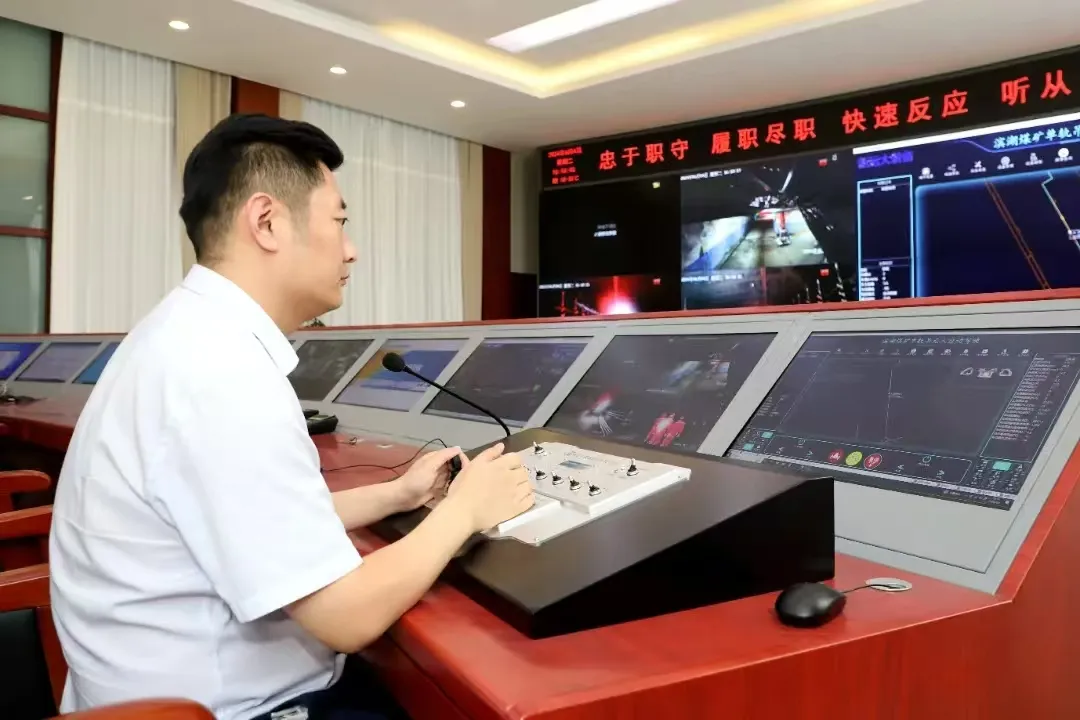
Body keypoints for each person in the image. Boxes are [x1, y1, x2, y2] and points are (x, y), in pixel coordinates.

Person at [48, 113, 534, 720]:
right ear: (268, 222)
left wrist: (396, 494)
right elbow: (346, 616)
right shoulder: (222, 373)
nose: (351, 249)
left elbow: (251, 522)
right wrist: (466, 510)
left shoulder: (182, 334)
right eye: (339, 221)